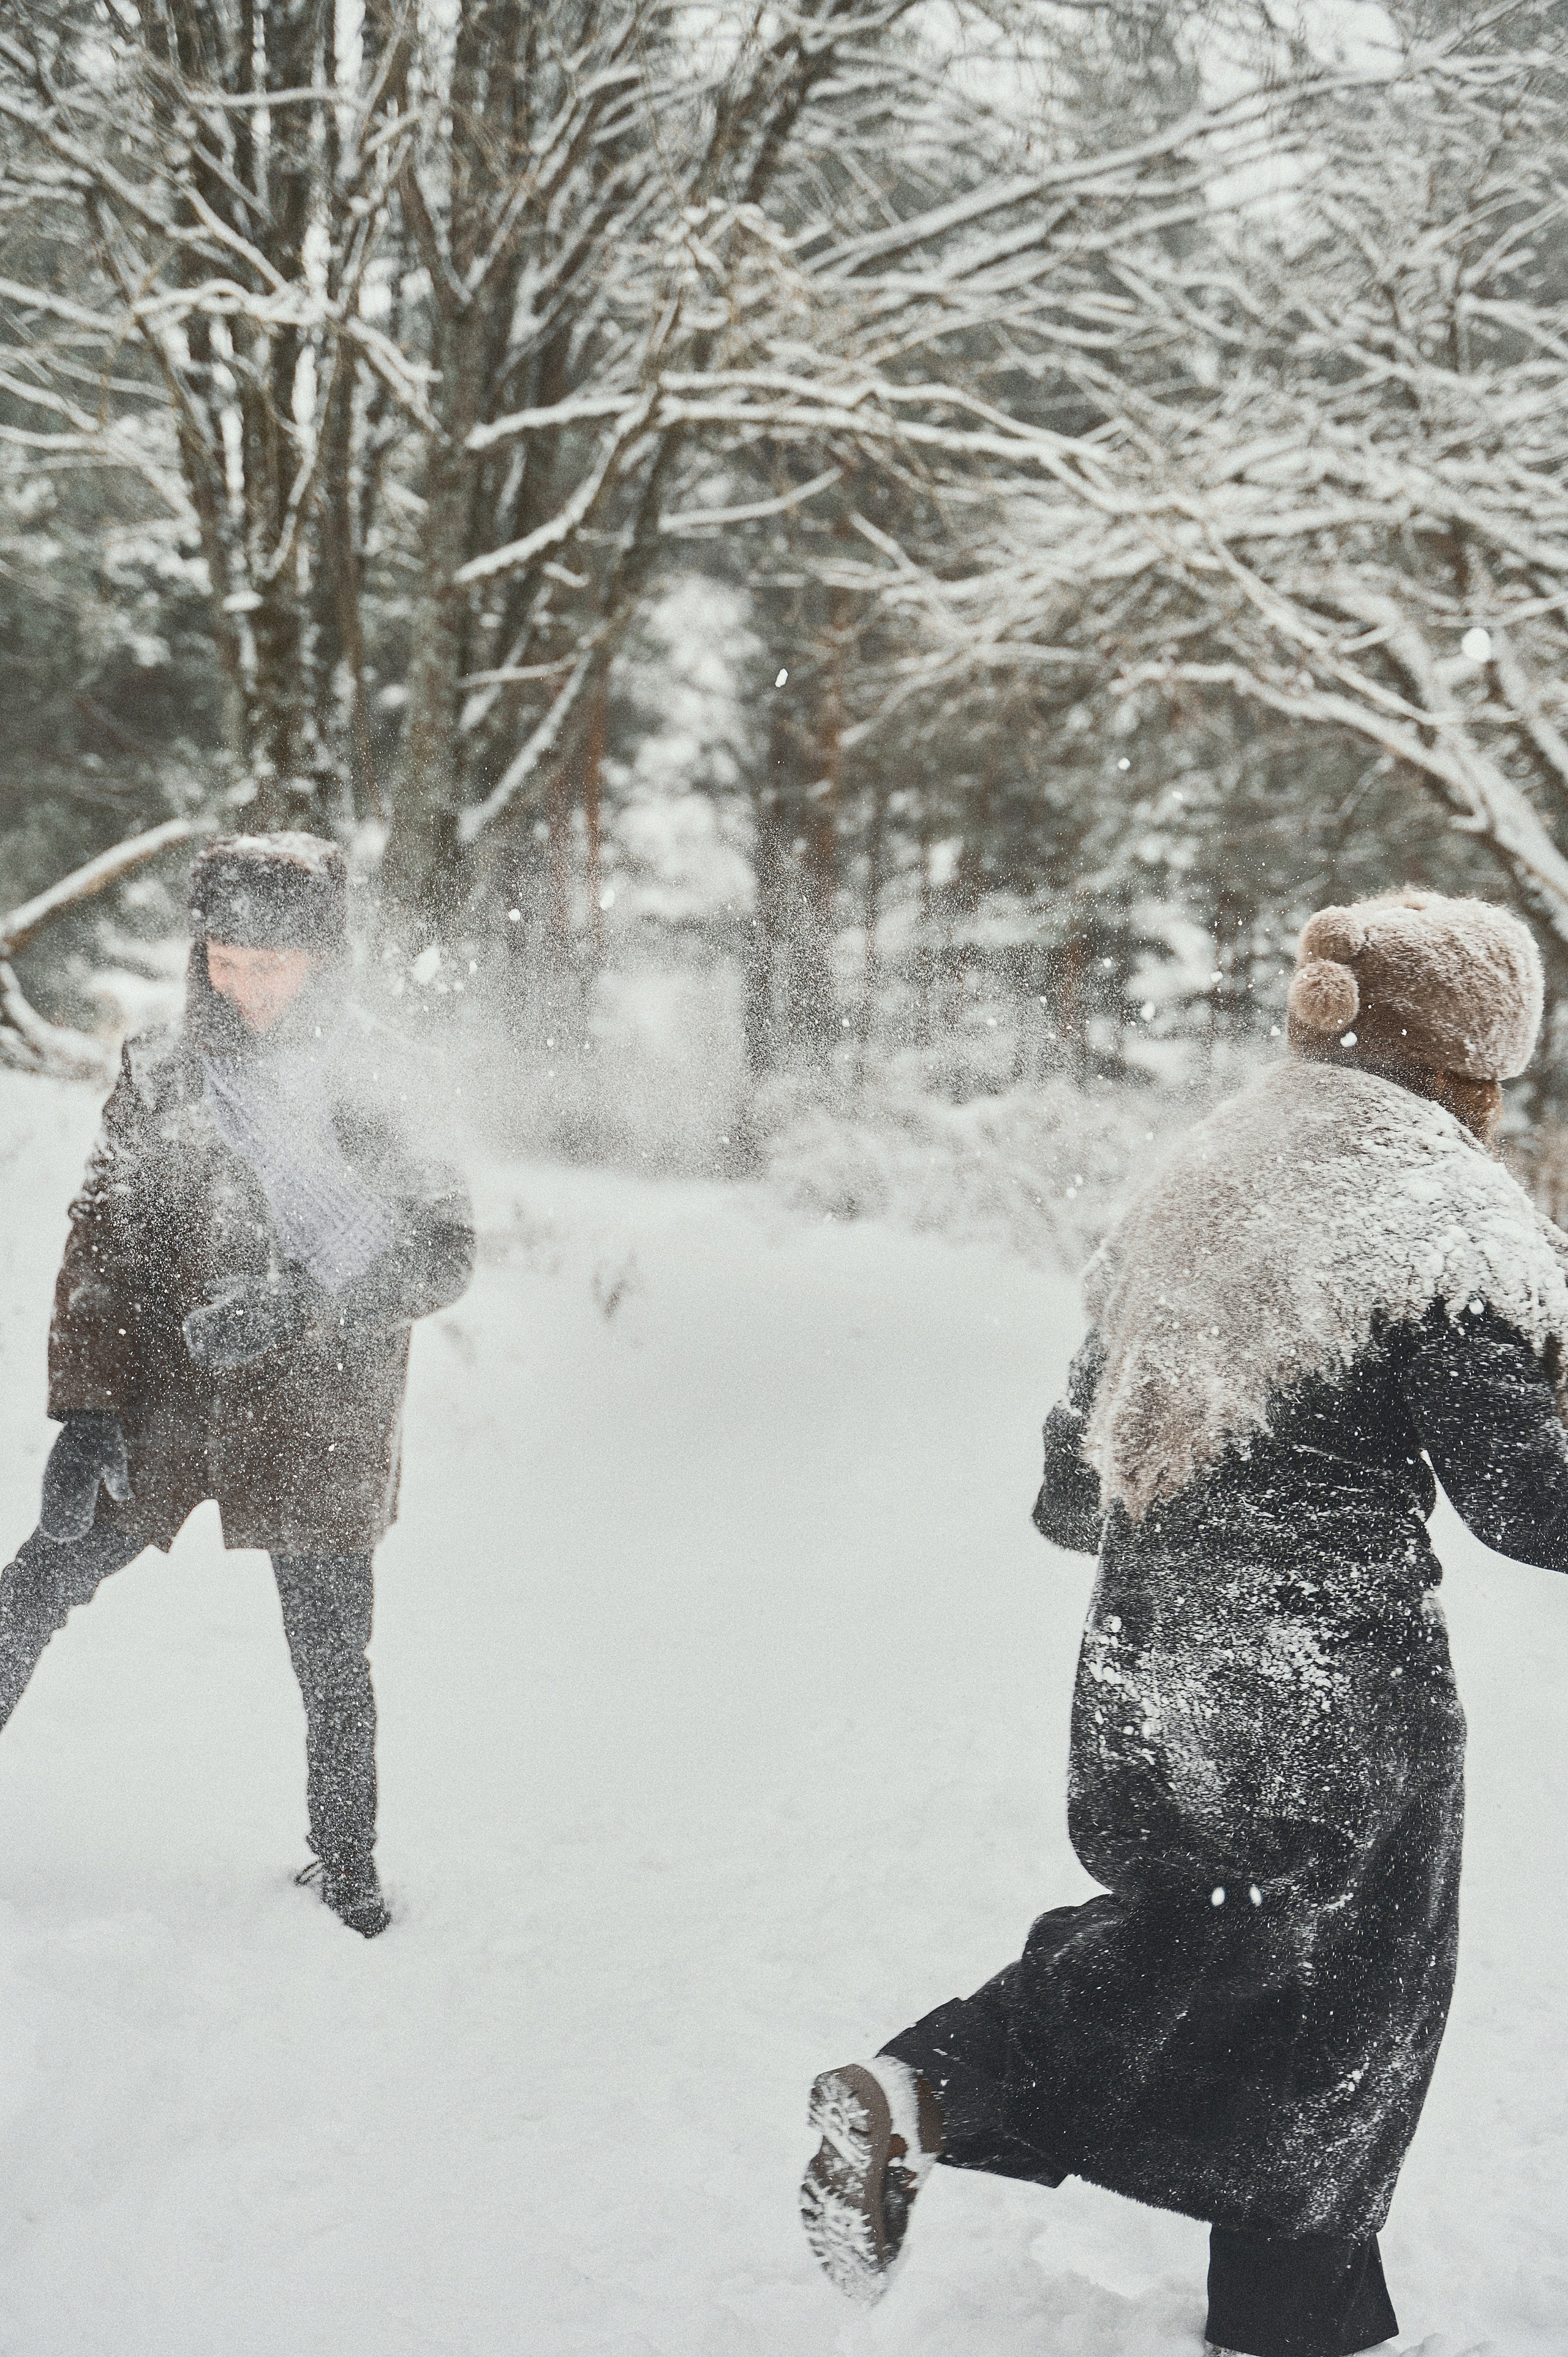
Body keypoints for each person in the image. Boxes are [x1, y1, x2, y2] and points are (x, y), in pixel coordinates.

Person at [801, 888, 1568, 2357]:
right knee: (1350, 2006)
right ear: (1462, 1058)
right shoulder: (1443, 1213)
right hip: (1332, 1667)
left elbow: (1065, 1487)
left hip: (1143, 1656)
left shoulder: (1198, 1175)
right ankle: (1282, 2313)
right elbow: (1531, 1504)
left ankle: (930, 2090)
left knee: (1194, 1927)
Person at [0, 832, 474, 1939]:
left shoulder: (386, 1074)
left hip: (319, 1409)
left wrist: (308, 1305)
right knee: (28, 1589)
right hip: (168, 1396)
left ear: (323, 958)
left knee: (329, 1655)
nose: (247, 986)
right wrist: (85, 1409)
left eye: (273, 964)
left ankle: (347, 1875)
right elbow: (103, 1243)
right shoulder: (161, 1070)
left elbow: (445, 1250)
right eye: (225, 958)